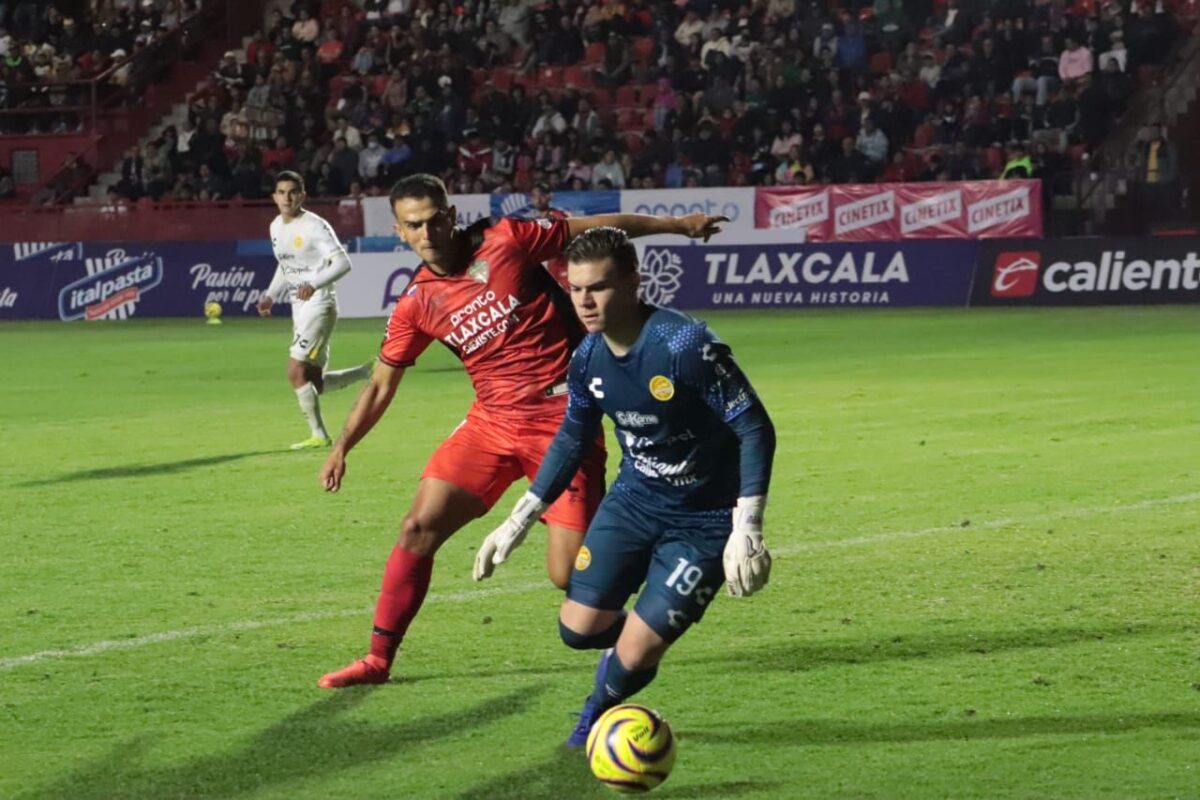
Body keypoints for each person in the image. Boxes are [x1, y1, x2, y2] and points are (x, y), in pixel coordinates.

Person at [315, 175, 727, 688]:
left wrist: (677, 226)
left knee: (569, 577)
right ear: (400, 231)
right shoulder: (417, 304)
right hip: (490, 425)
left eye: (435, 218)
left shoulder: (508, 240)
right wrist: (342, 446)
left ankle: (647, 618)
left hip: (562, 423)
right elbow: (380, 385)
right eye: (414, 225)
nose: (428, 232)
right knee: (417, 528)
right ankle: (378, 660)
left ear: (450, 213)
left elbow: (599, 229)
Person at [474, 227, 775, 745]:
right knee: (578, 630)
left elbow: (754, 426)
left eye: (600, 287)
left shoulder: (684, 344)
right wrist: (519, 517)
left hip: (704, 520)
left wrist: (746, 527)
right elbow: (573, 437)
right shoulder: (587, 357)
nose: (586, 301)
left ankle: (600, 705)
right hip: (634, 503)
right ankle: (641, 637)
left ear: (635, 283)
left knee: (636, 652)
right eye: (576, 288)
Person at [257, 171, 371, 450]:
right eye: (281, 192)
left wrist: (314, 283)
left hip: (320, 304)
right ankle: (367, 372)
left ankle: (319, 435)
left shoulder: (315, 227)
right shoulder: (275, 227)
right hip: (300, 307)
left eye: (293, 192)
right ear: (274, 197)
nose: (287, 197)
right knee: (314, 383)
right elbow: (286, 265)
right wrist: (271, 295)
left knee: (295, 370)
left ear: (303, 196)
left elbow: (343, 263)